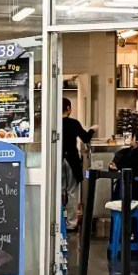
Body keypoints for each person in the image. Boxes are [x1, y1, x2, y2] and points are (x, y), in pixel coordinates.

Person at [61, 98, 96, 231]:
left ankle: (57, 221)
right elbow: (86, 138)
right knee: (72, 193)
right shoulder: (74, 123)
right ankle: (71, 224)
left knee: (57, 192)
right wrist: (92, 129)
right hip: (72, 161)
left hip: (58, 160)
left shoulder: (53, 123)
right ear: (69, 109)